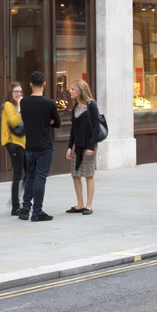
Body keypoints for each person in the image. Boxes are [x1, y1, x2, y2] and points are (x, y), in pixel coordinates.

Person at [18, 71, 60, 221]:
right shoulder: (49, 103)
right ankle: (37, 212)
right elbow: (58, 123)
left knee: (30, 176)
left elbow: (26, 118)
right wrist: (48, 121)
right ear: (44, 84)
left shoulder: (24, 102)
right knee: (40, 177)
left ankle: (25, 209)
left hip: (29, 145)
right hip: (44, 146)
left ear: (30, 84)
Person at [65, 80, 101, 214]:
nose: (70, 91)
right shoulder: (75, 107)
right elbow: (73, 129)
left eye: (72, 89)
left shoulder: (91, 105)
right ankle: (79, 204)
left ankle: (89, 205)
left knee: (88, 175)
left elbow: (95, 128)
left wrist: (91, 146)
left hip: (88, 145)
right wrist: (69, 146)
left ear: (80, 90)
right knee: (75, 174)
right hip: (77, 145)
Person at [0, 82, 26, 215]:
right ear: (10, 93)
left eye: (20, 91)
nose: (18, 94)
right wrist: (21, 108)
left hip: (22, 143)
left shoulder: (17, 105)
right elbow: (14, 121)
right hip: (12, 143)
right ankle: (15, 206)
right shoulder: (8, 105)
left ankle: (22, 199)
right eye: (16, 91)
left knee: (29, 172)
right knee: (17, 174)